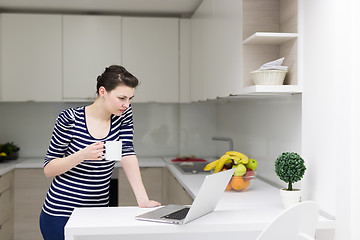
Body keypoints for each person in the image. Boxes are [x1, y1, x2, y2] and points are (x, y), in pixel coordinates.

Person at [39, 65, 161, 240]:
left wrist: (143, 200)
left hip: (98, 212)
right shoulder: (70, 119)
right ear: (102, 91)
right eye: (122, 98)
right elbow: (48, 168)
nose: (127, 104)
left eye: (130, 99)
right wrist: (81, 155)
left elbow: (127, 152)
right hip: (61, 213)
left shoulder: (123, 115)